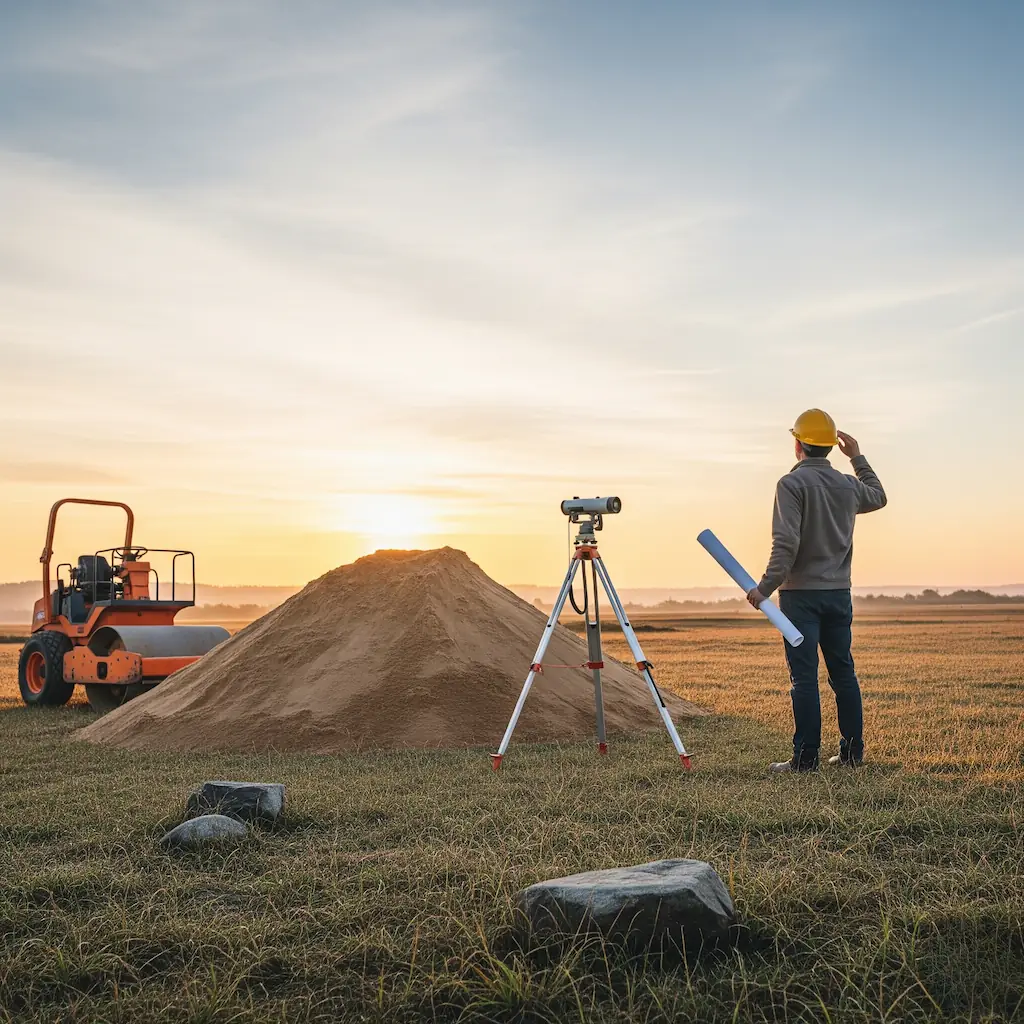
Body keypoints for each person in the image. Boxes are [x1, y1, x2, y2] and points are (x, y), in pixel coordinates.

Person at [746, 409, 887, 773]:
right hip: (840, 594)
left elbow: (786, 544)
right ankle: (852, 755)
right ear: (829, 447)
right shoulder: (848, 484)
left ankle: (805, 759)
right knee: (844, 674)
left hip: (800, 598)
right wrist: (857, 457)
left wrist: (763, 589)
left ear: (797, 445)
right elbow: (879, 496)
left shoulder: (790, 485)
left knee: (803, 679)